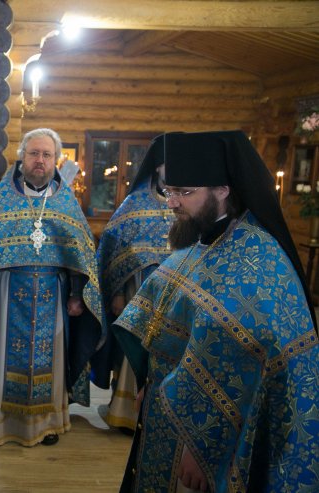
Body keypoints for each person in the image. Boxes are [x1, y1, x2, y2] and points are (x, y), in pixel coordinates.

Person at [113, 130, 318, 492]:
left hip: (206, 447)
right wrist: (150, 383)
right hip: (165, 416)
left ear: (223, 190)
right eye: (168, 191)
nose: (172, 203)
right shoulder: (201, 242)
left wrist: (205, 447)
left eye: (184, 192)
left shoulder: (259, 261)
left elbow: (252, 371)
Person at [0, 128, 105, 447]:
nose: (40, 160)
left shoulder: (65, 202)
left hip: (52, 294)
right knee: (1, 357)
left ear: (56, 160)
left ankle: (45, 425)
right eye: (34, 153)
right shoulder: (2, 200)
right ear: (22, 158)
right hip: (6, 293)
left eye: (47, 155)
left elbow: (81, 253)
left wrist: (77, 295)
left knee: (50, 361)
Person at [95, 134, 173, 432]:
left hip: (178, 299)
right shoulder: (134, 204)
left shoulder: (191, 204)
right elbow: (112, 252)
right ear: (157, 167)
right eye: (168, 165)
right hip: (137, 295)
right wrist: (116, 293)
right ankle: (126, 414)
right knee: (133, 351)